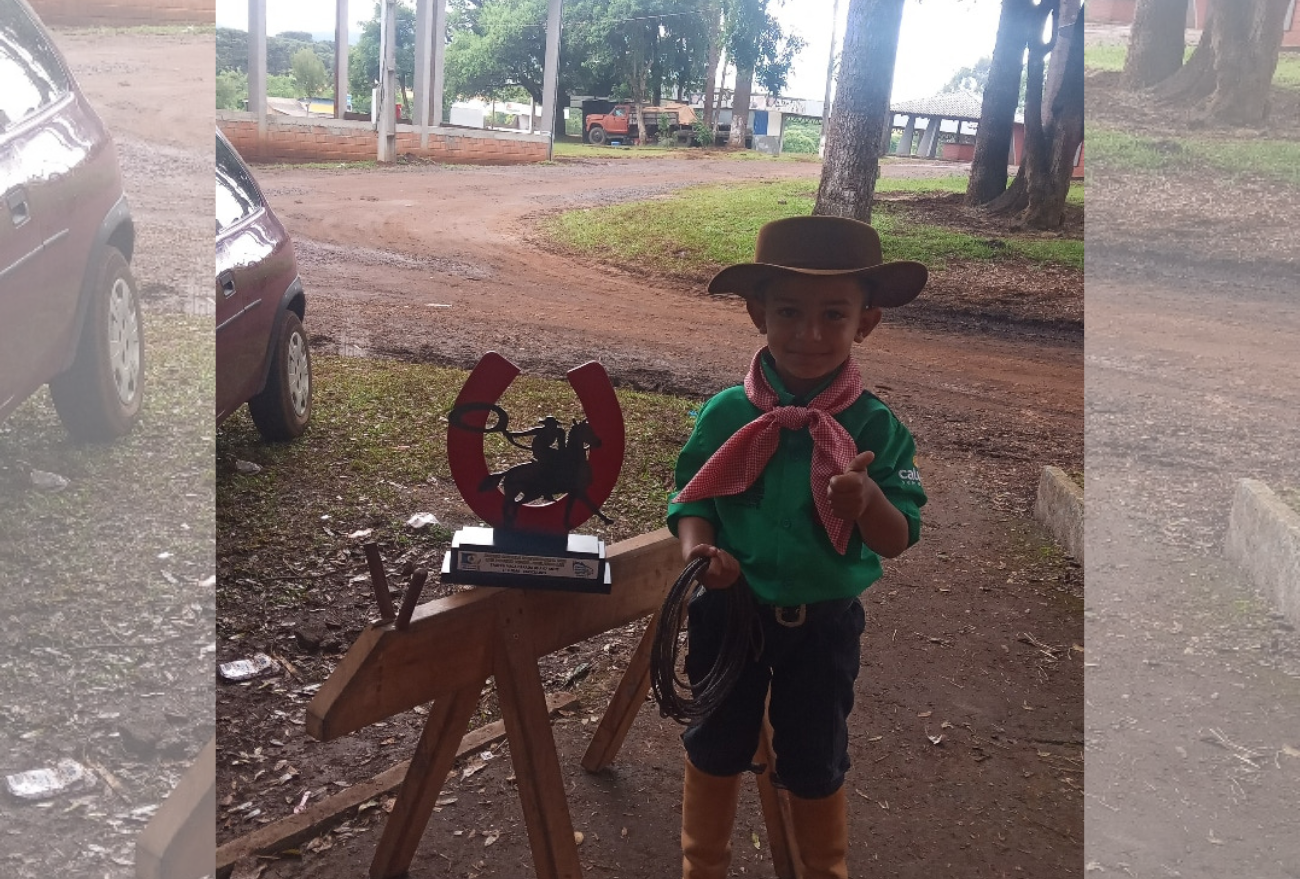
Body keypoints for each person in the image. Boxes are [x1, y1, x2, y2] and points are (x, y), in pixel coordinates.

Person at [667, 215, 928, 879]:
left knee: (815, 756)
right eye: (788, 312)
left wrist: (868, 504)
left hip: (823, 626)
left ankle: (824, 868)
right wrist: (700, 554)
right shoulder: (727, 415)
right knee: (715, 742)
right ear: (758, 312)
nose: (810, 334)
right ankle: (703, 867)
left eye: (833, 315)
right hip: (734, 613)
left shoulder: (875, 426)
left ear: (865, 321)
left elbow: (897, 538)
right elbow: (692, 501)